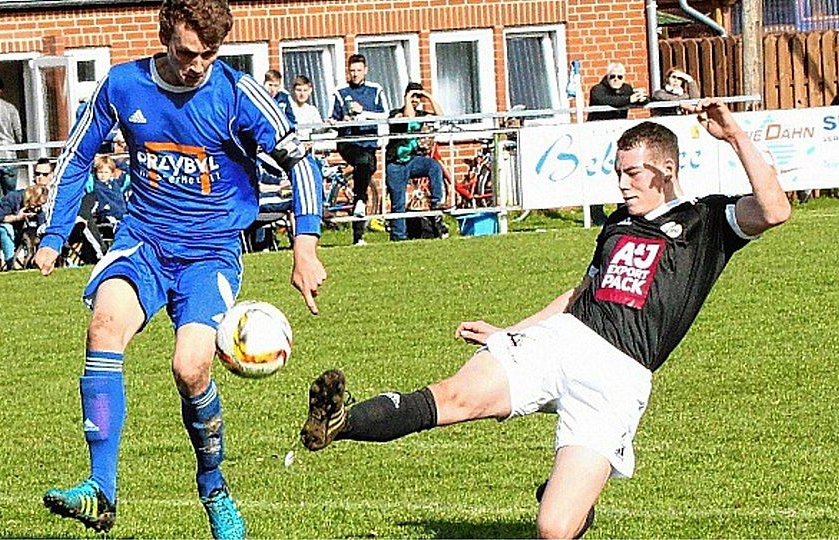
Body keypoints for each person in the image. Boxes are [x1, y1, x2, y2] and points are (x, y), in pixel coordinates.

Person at [299, 98, 790, 539]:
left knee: (554, 528)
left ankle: (574, 507)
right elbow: (580, 293)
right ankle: (342, 421)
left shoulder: (706, 221)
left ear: (666, 169)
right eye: (618, 172)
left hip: (617, 377)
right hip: (563, 339)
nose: (622, 184)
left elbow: (774, 210)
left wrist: (735, 136)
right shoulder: (617, 223)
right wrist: (512, 333)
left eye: (633, 173)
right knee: (454, 396)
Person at [35, 0, 325, 538]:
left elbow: (302, 161)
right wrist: (54, 234)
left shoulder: (237, 93)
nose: (198, 66)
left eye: (209, 55)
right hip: (143, 241)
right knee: (103, 326)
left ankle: (213, 487)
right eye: (188, 53)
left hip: (210, 252)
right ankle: (101, 488)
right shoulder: (123, 84)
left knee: (190, 369)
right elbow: (77, 156)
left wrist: (304, 249)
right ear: (165, 35)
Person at [330, 53, 389, 245]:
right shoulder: (340, 92)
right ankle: (361, 202)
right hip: (348, 143)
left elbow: (385, 115)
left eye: (358, 70)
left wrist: (363, 113)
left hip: (368, 143)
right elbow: (332, 119)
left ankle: (358, 233)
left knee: (363, 176)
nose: (355, 74)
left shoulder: (375, 90)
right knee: (363, 163)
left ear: (366, 70)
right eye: (352, 70)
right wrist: (340, 121)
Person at [384, 82, 448, 241]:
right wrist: (408, 98)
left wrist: (428, 96)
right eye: (413, 97)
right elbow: (408, 118)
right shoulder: (396, 114)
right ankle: (399, 237)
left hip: (412, 161)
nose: (415, 100)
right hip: (395, 163)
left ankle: (436, 202)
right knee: (398, 203)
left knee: (433, 166)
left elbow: (441, 117)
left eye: (418, 97)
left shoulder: (421, 114)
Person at [586, 63, 648, 225]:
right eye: (612, 76)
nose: (616, 80)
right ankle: (596, 214)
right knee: (598, 177)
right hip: (597, 139)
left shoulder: (626, 89)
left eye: (619, 77)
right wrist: (630, 99)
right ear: (607, 77)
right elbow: (606, 101)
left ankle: (622, 209)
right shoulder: (598, 89)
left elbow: (638, 102)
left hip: (618, 138)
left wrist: (642, 97)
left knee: (622, 173)